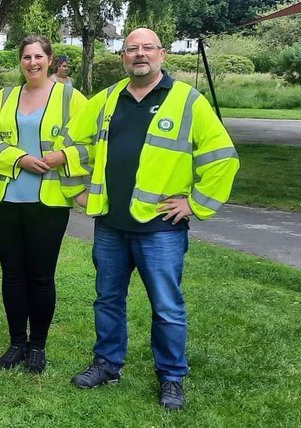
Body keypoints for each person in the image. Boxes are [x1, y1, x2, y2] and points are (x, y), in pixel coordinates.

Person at [66, 28, 239, 410]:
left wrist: (195, 203)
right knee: (108, 299)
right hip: (111, 224)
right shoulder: (108, 99)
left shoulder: (187, 101)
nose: (139, 54)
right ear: (123, 56)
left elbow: (223, 156)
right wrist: (76, 188)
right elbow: (71, 143)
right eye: (132, 49)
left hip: (161, 228)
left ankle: (172, 376)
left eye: (147, 48)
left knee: (166, 306)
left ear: (162, 54)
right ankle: (107, 364)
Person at [0, 35, 86, 375]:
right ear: (20, 61)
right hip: (6, 199)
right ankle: (16, 342)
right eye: (26, 57)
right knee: (13, 275)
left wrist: (63, 156)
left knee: (41, 277)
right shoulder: (5, 97)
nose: (32, 63)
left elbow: (93, 142)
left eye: (38, 56)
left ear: (50, 59)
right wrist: (20, 158)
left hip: (49, 201)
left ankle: (37, 345)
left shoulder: (71, 98)